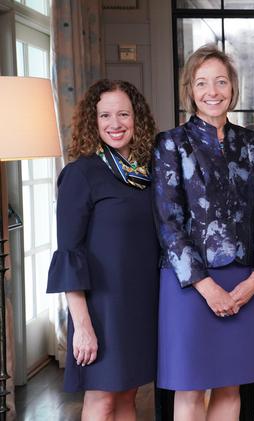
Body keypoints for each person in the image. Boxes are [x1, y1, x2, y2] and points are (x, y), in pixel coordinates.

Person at [152, 44, 254, 421]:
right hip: (189, 285)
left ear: (232, 88)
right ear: (190, 89)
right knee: (189, 388)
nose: (213, 91)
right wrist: (206, 287)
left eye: (221, 82)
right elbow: (168, 222)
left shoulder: (251, 142)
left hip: (243, 281)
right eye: (202, 83)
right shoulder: (170, 143)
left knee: (230, 386)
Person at [46, 79, 159, 420]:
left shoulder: (148, 173)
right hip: (100, 309)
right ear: (92, 122)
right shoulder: (80, 174)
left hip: (141, 303)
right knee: (102, 400)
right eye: (105, 115)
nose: (115, 124)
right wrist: (81, 325)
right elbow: (69, 253)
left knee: (128, 396)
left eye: (124, 114)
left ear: (136, 119)